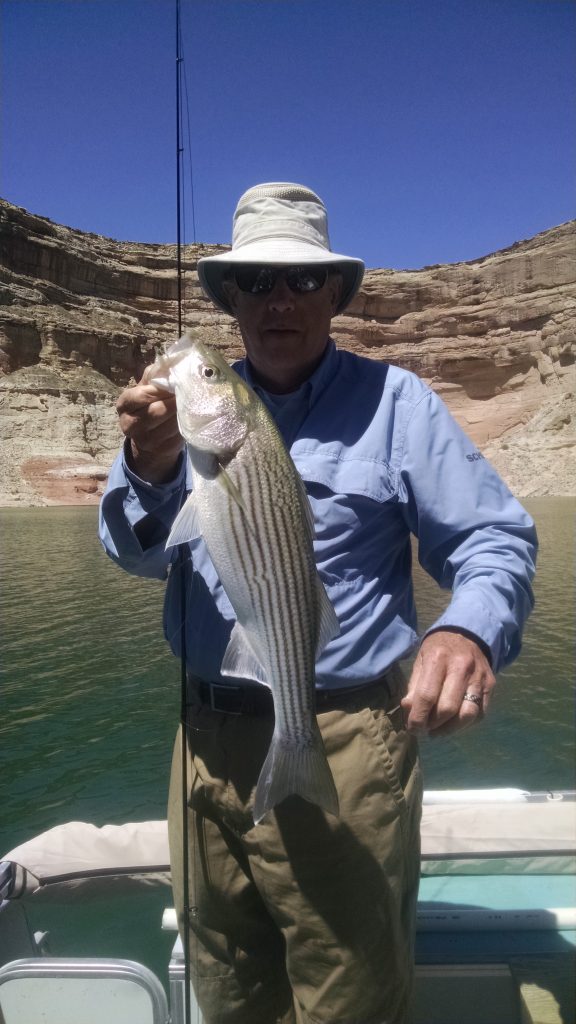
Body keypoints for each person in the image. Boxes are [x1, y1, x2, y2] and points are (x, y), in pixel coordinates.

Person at [99, 182, 537, 1024]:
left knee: (349, 997)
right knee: (226, 987)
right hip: (202, 744)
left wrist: (467, 629)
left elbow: (494, 542)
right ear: (229, 299)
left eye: (302, 281)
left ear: (336, 292)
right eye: (255, 281)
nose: (279, 300)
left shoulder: (397, 405)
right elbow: (130, 553)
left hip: (343, 739)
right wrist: (151, 471)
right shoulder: (182, 423)